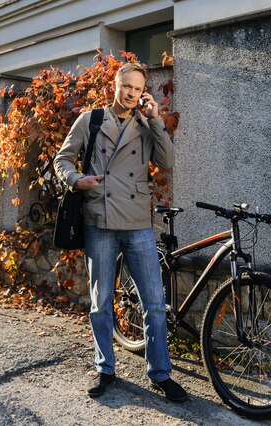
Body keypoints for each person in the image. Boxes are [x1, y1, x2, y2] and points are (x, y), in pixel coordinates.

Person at [54, 62, 187, 402]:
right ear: (115, 84)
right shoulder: (91, 120)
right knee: (100, 303)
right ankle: (105, 368)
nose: (130, 93)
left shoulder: (146, 124)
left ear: (144, 91)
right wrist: (76, 180)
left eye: (137, 88)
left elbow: (167, 161)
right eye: (125, 86)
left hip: (137, 222)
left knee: (155, 303)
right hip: (99, 217)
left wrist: (155, 118)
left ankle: (160, 373)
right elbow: (62, 159)